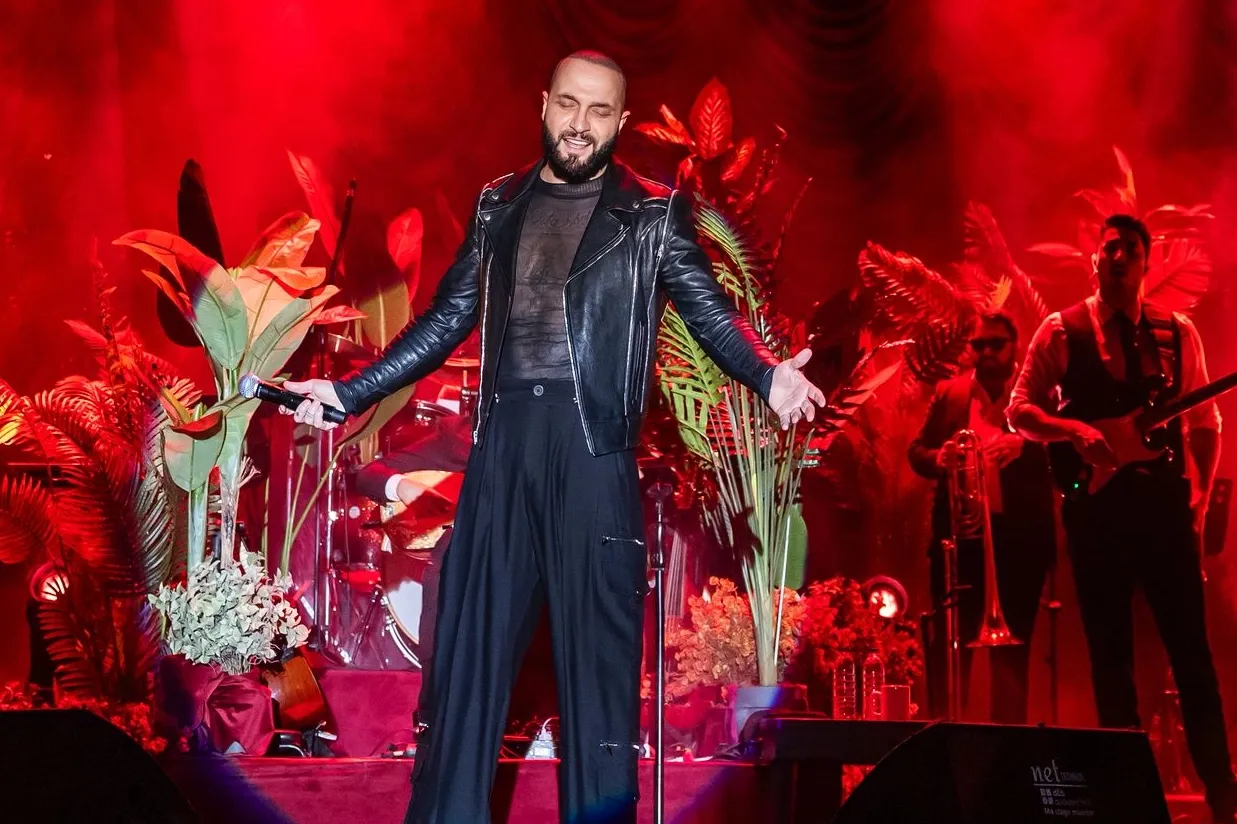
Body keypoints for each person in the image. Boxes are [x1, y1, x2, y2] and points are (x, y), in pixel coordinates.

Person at [284, 50, 826, 824]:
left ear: (619, 122)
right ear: (544, 105)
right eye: (568, 105)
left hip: (592, 454)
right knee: (465, 675)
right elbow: (444, 320)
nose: (580, 124)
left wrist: (767, 375)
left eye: (599, 111)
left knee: (599, 689)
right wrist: (348, 392)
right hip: (502, 450)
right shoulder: (497, 204)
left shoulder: (652, 213)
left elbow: (709, 311)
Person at [1007, 214, 1235, 823]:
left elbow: (1206, 423)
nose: (1119, 257)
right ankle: (1127, 803)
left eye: (1131, 250)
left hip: (1163, 510)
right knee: (1110, 658)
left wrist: (1200, 497)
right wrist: (1073, 430)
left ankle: (1223, 795)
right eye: (1110, 248)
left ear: (1145, 263)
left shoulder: (1176, 332)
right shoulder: (1061, 330)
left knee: (1192, 655)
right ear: (1095, 260)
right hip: (1097, 513)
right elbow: (1019, 411)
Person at [908, 311, 1055, 724]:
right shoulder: (950, 394)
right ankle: (947, 732)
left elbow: (1068, 450)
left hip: (1019, 544)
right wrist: (940, 457)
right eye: (979, 345)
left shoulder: (1037, 394)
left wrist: (1025, 444)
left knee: (1014, 654)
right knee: (950, 649)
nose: (986, 352)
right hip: (962, 544)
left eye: (996, 344)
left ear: (1015, 347)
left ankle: (1009, 742)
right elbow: (916, 451)